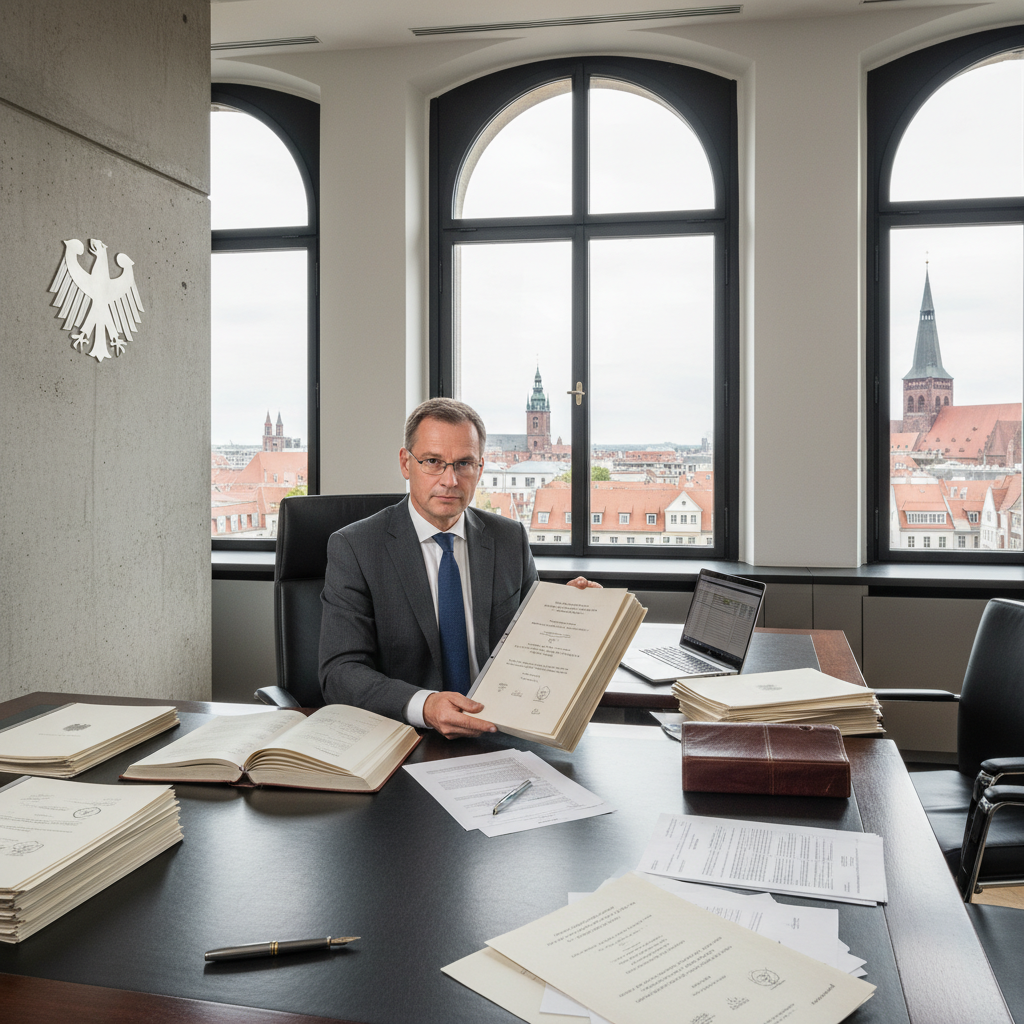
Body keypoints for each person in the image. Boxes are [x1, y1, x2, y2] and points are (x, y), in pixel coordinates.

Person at [319, 397, 598, 739]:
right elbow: (340, 673)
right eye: (433, 462)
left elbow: (530, 646)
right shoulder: (356, 547)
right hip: (406, 736)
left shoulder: (509, 538)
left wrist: (568, 618)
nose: (450, 480)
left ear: (480, 468)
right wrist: (425, 705)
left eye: (464, 463)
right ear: (406, 463)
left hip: (501, 730)